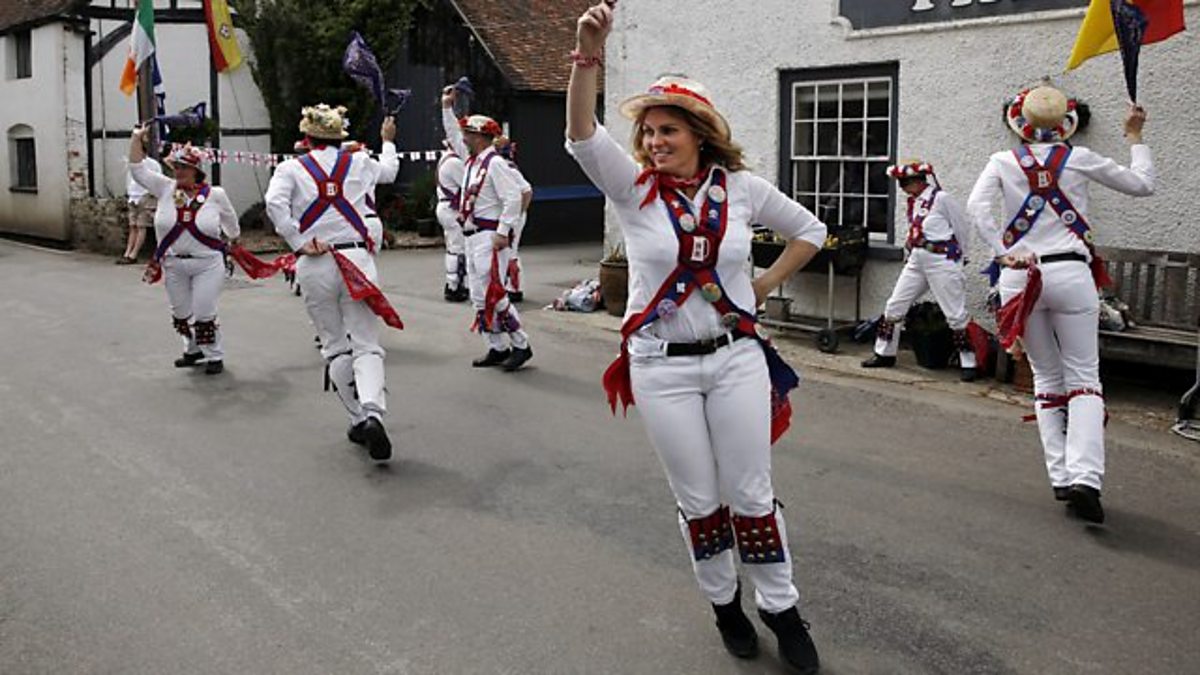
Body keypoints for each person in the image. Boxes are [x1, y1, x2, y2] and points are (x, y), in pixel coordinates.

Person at [566, 5, 826, 672]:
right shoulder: (632, 191)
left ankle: (781, 606)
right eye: (648, 131)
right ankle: (723, 604)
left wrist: (762, 287)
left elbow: (811, 231)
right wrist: (586, 55)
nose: (654, 141)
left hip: (736, 359)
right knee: (699, 500)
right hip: (660, 367)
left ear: (700, 135)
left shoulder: (740, 187)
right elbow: (581, 134)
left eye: (668, 130)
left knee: (751, 493)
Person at [966, 84, 1154, 524]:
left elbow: (977, 208)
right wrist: (1134, 136)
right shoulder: (1080, 158)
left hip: (1020, 276)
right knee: (1084, 377)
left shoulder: (1001, 161)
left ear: (1020, 124)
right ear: (1065, 124)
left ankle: (1062, 476)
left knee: (1047, 377)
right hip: (1071, 274)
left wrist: (1001, 250)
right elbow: (1144, 185)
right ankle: (1086, 478)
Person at [265, 104, 400, 462]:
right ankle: (373, 413)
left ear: (306, 139)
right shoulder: (358, 162)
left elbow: (273, 203)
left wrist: (298, 241)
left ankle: (357, 418)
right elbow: (389, 171)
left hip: (314, 261)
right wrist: (387, 141)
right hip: (355, 259)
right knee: (366, 343)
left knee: (335, 345)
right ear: (340, 138)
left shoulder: (290, 168)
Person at [128, 131, 239, 375]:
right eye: (176, 167)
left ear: (196, 170)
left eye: (185, 168)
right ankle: (192, 349)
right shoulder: (165, 189)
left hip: (208, 263)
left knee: (203, 311)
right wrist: (136, 139)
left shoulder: (215, 195)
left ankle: (214, 354)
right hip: (173, 263)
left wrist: (231, 240)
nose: (179, 172)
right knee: (180, 312)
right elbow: (137, 169)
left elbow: (232, 224)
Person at [862, 161, 982, 381]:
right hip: (917, 259)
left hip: (941, 259)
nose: (903, 188)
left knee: (954, 313)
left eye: (905, 183)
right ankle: (884, 353)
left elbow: (961, 227)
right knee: (895, 305)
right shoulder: (914, 202)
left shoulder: (941, 199)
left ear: (918, 181)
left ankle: (969, 362)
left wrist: (961, 256)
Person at [441, 87, 533, 371]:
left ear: (480, 137)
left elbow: (515, 196)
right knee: (479, 296)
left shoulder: (495, 164)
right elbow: (454, 136)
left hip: (488, 238)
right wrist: (447, 107)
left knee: (495, 293)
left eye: (469, 133)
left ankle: (521, 344)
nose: (464, 138)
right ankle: (496, 346)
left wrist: (503, 232)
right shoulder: (472, 161)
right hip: (472, 236)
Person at [493, 136, 534, 303]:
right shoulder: (504, 167)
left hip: (515, 216)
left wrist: (517, 214)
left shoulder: (508, 169)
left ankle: (515, 288)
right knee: (509, 251)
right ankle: (511, 287)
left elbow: (527, 191)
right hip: (512, 215)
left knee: (511, 251)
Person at [118, 135, 162, 264]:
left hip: (145, 196)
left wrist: (150, 194)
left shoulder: (152, 164)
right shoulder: (132, 164)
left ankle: (134, 254)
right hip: (133, 197)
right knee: (133, 226)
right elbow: (129, 180)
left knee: (141, 226)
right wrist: (129, 193)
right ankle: (127, 252)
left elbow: (158, 180)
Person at [435, 139, 469, 302]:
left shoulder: (445, 158)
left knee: (453, 247)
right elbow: (468, 184)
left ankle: (454, 283)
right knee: (457, 248)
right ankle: (454, 286)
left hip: (446, 207)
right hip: (451, 209)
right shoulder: (454, 162)